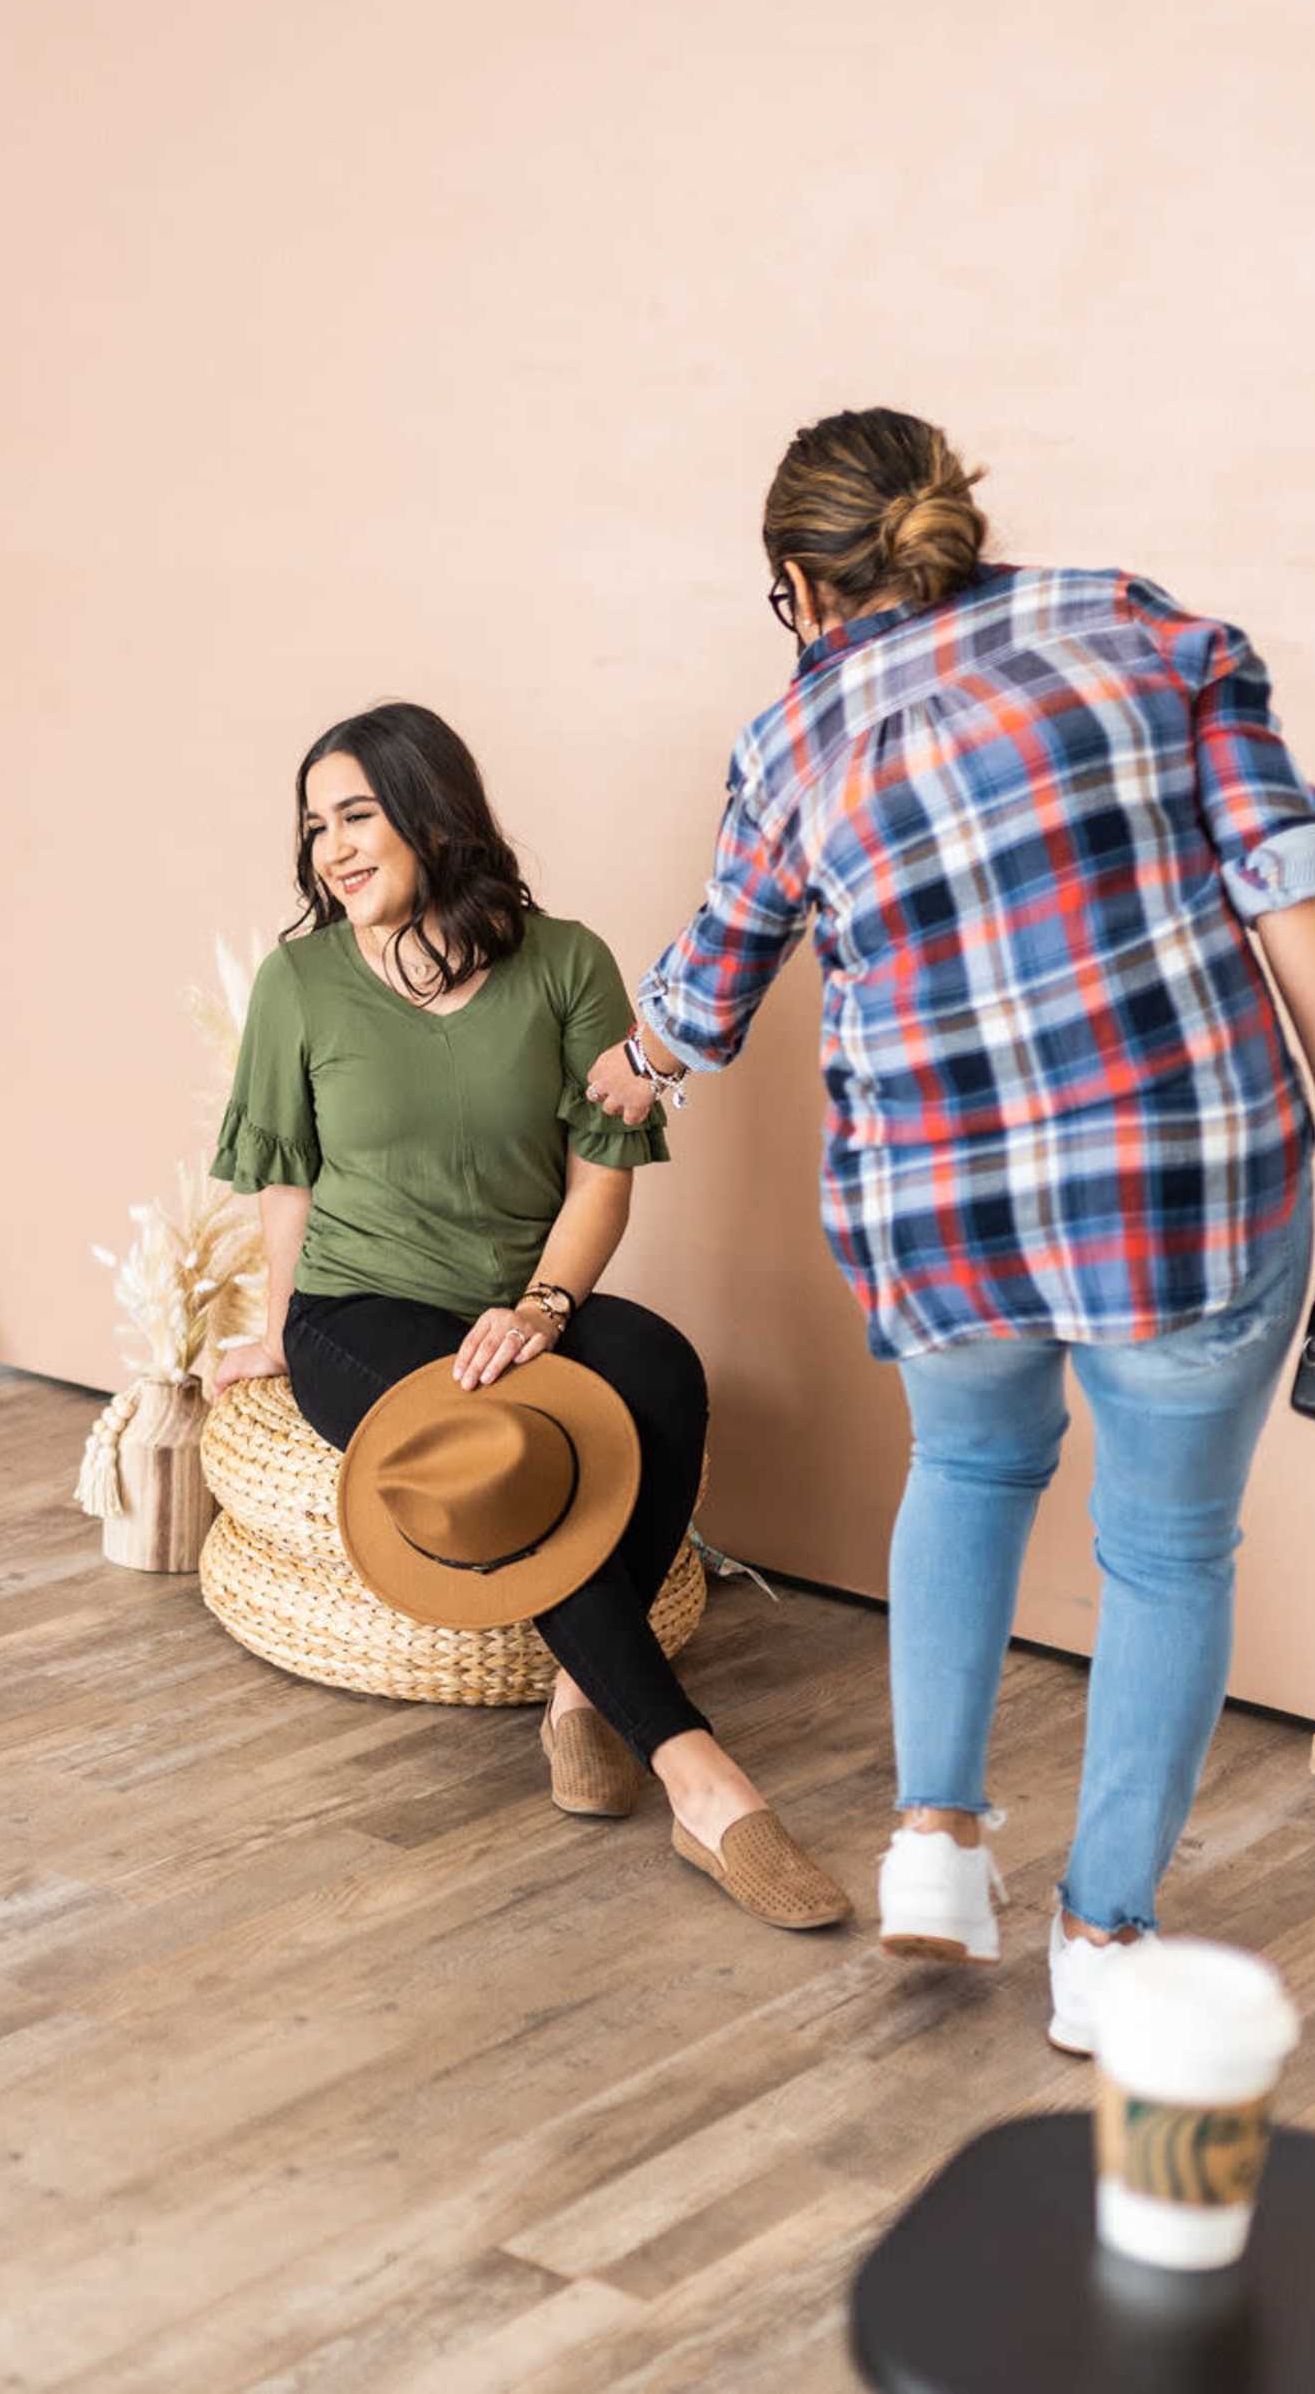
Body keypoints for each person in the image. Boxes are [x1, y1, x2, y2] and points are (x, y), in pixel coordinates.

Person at [583, 408, 1315, 2054]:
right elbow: (1286, 875)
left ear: (798, 583)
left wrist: (629, 1071)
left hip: (945, 1209)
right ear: (955, 526)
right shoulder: (1143, 630)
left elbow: (710, 984)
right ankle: (1104, 1941)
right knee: (1169, 1549)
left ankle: (936, 1838)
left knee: (973, 1470)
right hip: (1186, 1185)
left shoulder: (793, 742)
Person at [209, 701, 850, 1932]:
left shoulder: (565, 964)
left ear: (430, 813)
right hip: (362, 1306)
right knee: (498, 1440)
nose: (332, 849)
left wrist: (547, 1306)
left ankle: (578, 1691)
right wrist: (281, 1327)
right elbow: (284, 1175)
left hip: (517, 1295)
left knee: (661, 1370)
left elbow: (602, 1166)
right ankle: (698, 1775)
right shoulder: (301, 982)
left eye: (356, 815)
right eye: (315, 828)